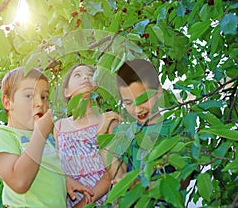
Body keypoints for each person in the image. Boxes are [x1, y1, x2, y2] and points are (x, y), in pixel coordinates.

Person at [0, 67, 93, 207]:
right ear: (7, 102)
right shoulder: (2, 135)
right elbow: (19, 182)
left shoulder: (47, 139)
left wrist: (63, 180)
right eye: (29, 96)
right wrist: (40, 134)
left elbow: (44, 168)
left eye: (44, 97)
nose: (40, 103)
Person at [113, 58, 191, 190]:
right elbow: (118, 176)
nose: (138, 109)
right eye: (128, 103)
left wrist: (145, 187)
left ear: (158, 91)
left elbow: (184, 179)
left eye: (143, 99)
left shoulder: (176, 130)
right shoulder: (124, 134)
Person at [54, 64, 125, 207]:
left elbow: (113, 172)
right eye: (77, 75)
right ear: (67, 91)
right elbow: (59, 168)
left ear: (96, 85)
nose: (85, 77)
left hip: (102, 202)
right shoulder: (59, 126)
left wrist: (82, 205)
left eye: (90, 75)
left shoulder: (108, 120)